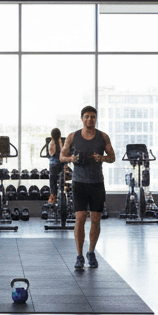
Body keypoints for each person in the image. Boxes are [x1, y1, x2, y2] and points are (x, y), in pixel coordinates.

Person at [61, 106, 115, 270]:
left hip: (97, 183)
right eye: (87, 117)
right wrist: (70, 157)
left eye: (92, 117)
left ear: (95, 119)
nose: (90, 119)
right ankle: (79, 255)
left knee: (96, 219)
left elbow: (112, 157)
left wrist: (102, 158)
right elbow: (62, 156)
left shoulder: (103, 137)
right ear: (82, 118)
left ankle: (91, 251)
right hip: (79, 183)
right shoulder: (73, 137)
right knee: (80, 218)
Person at [46, 128, 64, 205]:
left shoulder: (51, 142)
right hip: (62, 164)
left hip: (53, 165)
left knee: (52, 179)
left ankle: (53, 195)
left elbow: (49, 154)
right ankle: (63, 191)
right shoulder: (62, 142)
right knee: (62, 178)